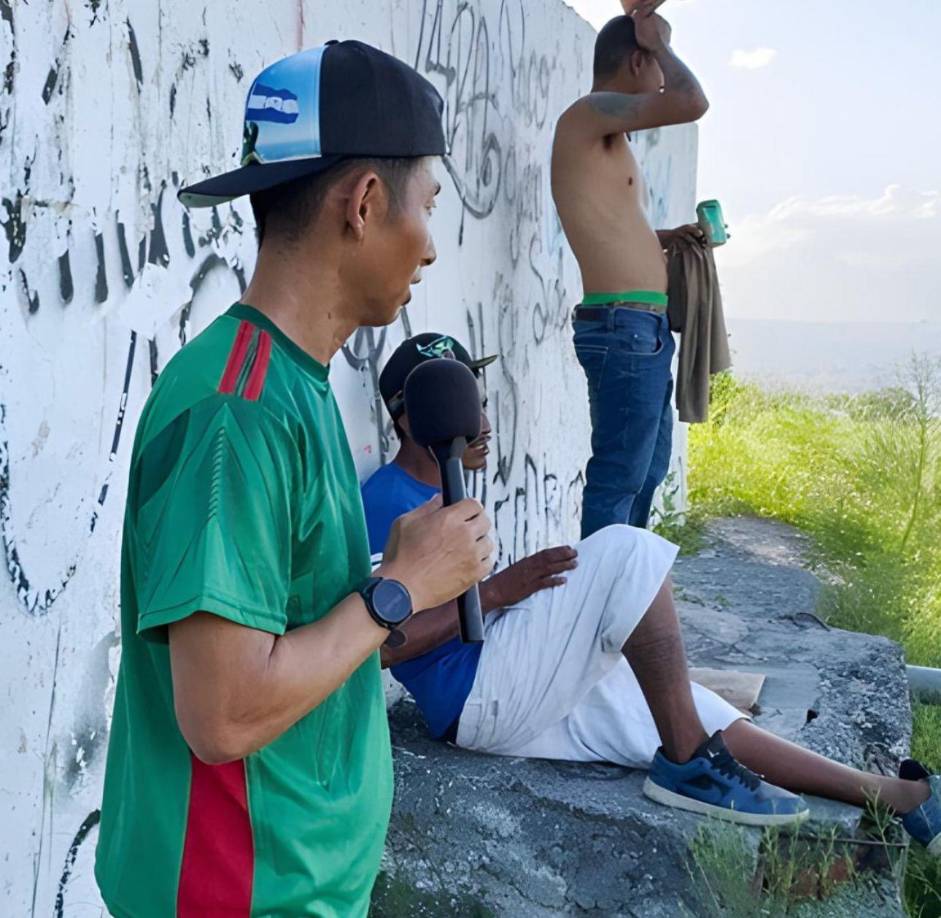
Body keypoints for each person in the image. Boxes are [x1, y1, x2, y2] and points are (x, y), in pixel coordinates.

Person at [95, 42, 495, 918]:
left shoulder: (293, 382)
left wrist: (388, 575)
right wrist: (399, 590)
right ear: (363, 203)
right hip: (237, 895)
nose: (430, 244)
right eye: (428, 205)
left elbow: (288, 630)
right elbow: (222, 715)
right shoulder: (237, 412)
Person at [361, 333, 941, 852]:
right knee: (626, 550)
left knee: (682, 704)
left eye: (480, 402)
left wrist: (510, 596)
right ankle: (686, 764)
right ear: (410, 420)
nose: (483, 421)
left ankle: (894, 797)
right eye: (463, 408)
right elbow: (382, 646)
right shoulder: (385, 502)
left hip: (503, 675)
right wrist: (501, 590)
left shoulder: (450, 493)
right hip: (474, 697)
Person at [551, 2, 710, 536]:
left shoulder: (608, 139)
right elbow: (691, 102)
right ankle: (601, 609)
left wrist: (666, 240)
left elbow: (609, 226)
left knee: (646, 475)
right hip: (621, 329)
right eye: (657, 63)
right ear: (640, 63)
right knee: (619, 478)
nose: (663, 76)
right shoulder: (587, 114)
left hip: (641, 329)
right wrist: (659, 38)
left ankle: (627, 597)